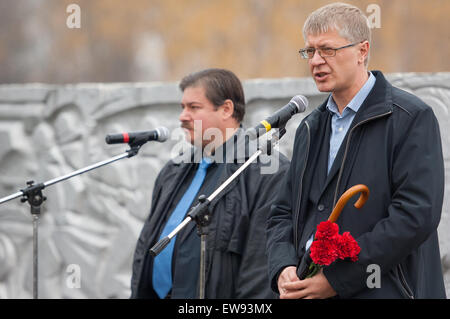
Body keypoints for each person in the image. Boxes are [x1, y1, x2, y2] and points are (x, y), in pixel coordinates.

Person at [266, 2, 446, 299]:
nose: (315, 61)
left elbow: (416, 215)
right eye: (309, 51)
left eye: (327, 50)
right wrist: (283, 265)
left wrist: (337, 280)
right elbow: (282, 213)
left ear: (362, 51)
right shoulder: (310, 127)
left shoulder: (410, 117)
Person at [131, 68, 290, 298]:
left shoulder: (265, 171)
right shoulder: (173, 170)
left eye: (194, 107)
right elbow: (147, 242)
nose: (182, 116)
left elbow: (259, 269)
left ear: (226, 109)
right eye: (182, 107)